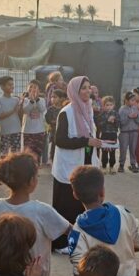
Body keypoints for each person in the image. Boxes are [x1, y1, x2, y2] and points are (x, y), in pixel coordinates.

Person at [50, 76, 102, 249]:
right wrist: (86, 142)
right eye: (83, 88)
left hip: (84, 165)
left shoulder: (88, 109)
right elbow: (60, 140)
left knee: (80, 208)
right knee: (65, 209)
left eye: (89, 88)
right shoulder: (67, 112)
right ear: (74, 91)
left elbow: (89, 134)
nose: (87, 91)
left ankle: (78, 242)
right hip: (67, 168)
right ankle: (60, 244)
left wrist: (96, 143)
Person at [0, 75, 22, 157]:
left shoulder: (16, 99)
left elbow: (20, 114)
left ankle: (14, 169)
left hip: (17, 130)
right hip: (5, 132)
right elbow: (0, 115)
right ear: (2, 87)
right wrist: (13, 110)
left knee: (16, 154)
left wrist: (21, 106)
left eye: (12, 84)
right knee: (4, 155)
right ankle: (4, 169)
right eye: (9, 84)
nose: (12, 86)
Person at [22, 80, 47, 163]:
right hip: (27, 131)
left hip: (39, 131)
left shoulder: (42, 100)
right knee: (28, 153)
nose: (32, 89)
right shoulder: (25, 100)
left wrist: (37, 99)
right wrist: (31, 101)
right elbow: (26, 110)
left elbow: (42, 109)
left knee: (37, 152)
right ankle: (28, 171)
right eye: (31, 87)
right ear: (27, 89)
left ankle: (36, 170)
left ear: (39, 90)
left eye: (35, 87)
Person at [118, 91, 139, 173]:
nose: (133, 102)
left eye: (134, 100)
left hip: (134, 131)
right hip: (124, 132)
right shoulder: (122, 109)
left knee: (133, 148)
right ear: (126, 100)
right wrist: (128, 116)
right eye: (132, 100)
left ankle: (133, 164)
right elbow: (121, 122)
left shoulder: (135, 108)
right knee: (123, 149)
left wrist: (136, 116)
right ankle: (121, 165)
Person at [97, 96, 119, 175]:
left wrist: (115, 121)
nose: (109, 107)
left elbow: (119, 124)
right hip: (105, 134)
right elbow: (99, 125)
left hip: (113, 134)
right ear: (103, 106)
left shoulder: (116, 114)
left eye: (111, 105)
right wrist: (107, 120)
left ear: (114, 105)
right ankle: (103, 166)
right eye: (107, 105)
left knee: (112, 152)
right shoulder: (102, 114)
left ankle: (112, 166)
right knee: (104, 152)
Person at [45, 89, 66, 162]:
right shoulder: (50, 109)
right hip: (53, 131)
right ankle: (52, 159)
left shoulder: (64, 108)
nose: (52, 99)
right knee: (53, 145)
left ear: (61, 98)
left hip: (62, 132)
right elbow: (48, 119)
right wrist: (53, 122)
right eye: (51, 97)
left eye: (55, 97)